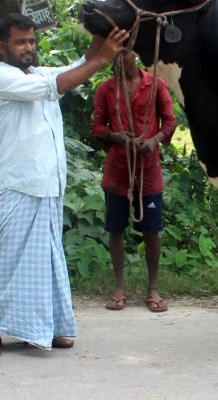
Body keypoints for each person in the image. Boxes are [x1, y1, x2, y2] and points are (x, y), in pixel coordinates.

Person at [0, 12, 129, 358]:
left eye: (32, 40)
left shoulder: (39, 72)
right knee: (10, 259)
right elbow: (59, 85)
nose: (29, 47)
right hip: (17, 185)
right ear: (2, 46)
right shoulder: (1, 79)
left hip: (48, 184)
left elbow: (80, 63)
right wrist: (105, 56)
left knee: (47, 259)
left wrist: (102, 34)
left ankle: (51, 328)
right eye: (20, 42)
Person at [91, 49, 176, 313]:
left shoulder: (155, 84)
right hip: (117, 170)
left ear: (134, 55)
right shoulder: (106, 89)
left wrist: (153, 140)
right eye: (113, 54)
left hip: (148, 170)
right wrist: (117, 137)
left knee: (151, 230)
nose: (118, 59)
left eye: (123, 53)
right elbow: (97, 127)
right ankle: (120, 287)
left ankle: (153, 288)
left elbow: (170, 122)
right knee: (116, 228)